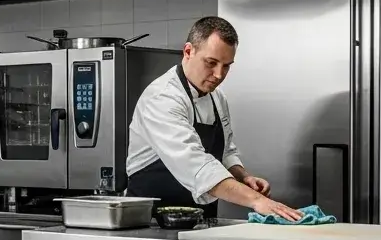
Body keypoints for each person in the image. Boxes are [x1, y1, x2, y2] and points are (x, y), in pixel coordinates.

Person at [126, 16, 301, 222]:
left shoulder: (216, 96)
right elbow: (197, 166)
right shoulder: (163, 98)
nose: (219, 75)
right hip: (151, 224)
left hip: (200, 222)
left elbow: (225, 152)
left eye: (226, 66)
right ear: (188, 51)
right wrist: (256, 201)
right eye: (211, 63)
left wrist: (243, 177)